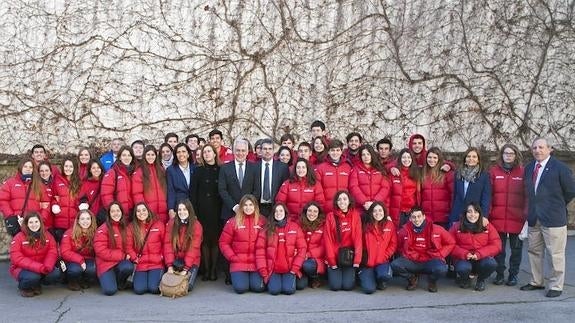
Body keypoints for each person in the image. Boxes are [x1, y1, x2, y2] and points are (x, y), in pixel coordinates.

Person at [520, 138, 575, 298]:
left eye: (541, 147)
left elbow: (570, 191)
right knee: (534, 251)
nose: (537, 150)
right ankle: (536, 281)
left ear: (550, 149)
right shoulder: (530, 168)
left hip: (554, 218)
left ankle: (556, 285)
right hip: (534, 217)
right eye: (535, 148)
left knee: (555, 253)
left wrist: (555, 205)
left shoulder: (561, 168)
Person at [391, 206, 455, 293]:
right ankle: (412, 278)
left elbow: (451, 242)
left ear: (424, 216)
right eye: (413, 217)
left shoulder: (436, 229)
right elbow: (398, 246)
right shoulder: (404, 230)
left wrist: (440, 254)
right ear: (410, 218)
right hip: (412, 260)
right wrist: (406, 254)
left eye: (419, 216)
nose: (417, 219)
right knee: (395, 264)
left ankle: (432, 281)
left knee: (442, 268)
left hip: (430, 259)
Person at [489, 144, 526, 286]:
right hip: (497, 219)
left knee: (516, 250)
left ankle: (513, 274)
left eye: (511, 153)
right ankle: (499, 274)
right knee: (499, 249)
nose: (509, 156)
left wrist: (526, 214)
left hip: (517, 218)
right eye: (506, 153)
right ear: (502, 155)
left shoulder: (522, 172)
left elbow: (527, 196)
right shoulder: (493, 172)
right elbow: (490, 195)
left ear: (516, 155)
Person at [255, 203, 307, 295]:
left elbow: (302, 249)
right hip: (273, 269)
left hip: (290, 268)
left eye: (281, 210)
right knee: (274, 291)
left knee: (289, 290)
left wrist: (294, 269)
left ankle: (299, 279)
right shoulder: (266, 229)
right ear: (273, 214)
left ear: (285, 212)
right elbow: (260, 251)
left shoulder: (294, 227)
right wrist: (264, 272)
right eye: (276, 211)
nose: (278, 213)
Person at [219, 195, 266, 294]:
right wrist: (232, 257)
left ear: (255, 206)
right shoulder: (233, 222)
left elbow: (269, 242)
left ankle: (252, 280)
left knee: (258, 288)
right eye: (245, 205)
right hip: (238, 263)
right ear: (241, 207)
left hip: (257, 263)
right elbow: (223, 242)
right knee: (241, 289)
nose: (248, 208)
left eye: (250, 205)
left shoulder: (262, 221)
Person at [449, 203, 501, 292]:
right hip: (463, 258)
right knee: (463, 268)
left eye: (476, 212)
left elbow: (496, 245)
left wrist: (479, 254)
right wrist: (464, 253)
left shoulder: (487, 226)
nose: (472, 215)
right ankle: (465, 279)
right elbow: (449, 244)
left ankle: (481, 280)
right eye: (469, 212)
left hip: (481, 258)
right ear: (465, 213)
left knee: (491, 263)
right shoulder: (457, 226)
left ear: (480, 214)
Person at [9, 212, 61, 297]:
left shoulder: (47, 235)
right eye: (31, 222)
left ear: (40, 223)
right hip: (22, 268)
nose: (34, 225)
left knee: (55, 273)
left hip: (42, 266)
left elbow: (52, 251)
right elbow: (16, 258)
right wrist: (39, 267)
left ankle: (36, 284)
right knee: (32, 277)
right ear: (26, 224)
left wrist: (48, 265)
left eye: (36, 222)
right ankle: (24, 287)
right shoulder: (19, 237)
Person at [190, 144, 222, 281]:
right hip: (202, 209)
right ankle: (207, 270)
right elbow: (193, 193)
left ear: (215, 153)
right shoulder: (198, 171)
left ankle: (214, 270)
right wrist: (194, 212)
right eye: (205, 152)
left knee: (215, 241)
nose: (207, 154)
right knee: (204, 241)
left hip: (217, 209)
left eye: (209, 151)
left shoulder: (221, 169)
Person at [323, 190, 362, 291]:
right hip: (335, 256)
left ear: (349, 201)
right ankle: (332, 273)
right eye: (339, 199)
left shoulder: (355, 215)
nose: (342, 202)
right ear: (336, 202)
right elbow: (328, 240)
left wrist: (357, 260)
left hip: (349, 256)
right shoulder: (330, 216)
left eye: (345, 199)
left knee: (347, 286)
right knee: (335, 286)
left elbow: (358, 239)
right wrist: (332, 261)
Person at [0, 158, 50, 236]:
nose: (28, 169)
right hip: (17, 223)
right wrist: (11, 216)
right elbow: (2, 200)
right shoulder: (10, 183)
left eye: (30, 167)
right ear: (21, 167)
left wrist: (41, 220)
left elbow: (46, 204)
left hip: (34, 225)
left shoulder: (39, 185)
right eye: (25, 166)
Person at [93, 202, 134, 296]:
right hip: (105, 264)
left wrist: (133, 257)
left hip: (119, 262)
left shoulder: (125, 228)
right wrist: (123, 255)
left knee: (128, 267)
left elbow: (128, 246)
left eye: (118, 211)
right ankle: (108, 279)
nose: (116, 213)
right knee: (110, 291)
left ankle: (120, 283)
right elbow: (100, 251)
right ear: (109, 214)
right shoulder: (102, 229)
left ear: (121, 212)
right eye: (113, 211)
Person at [164, 199, 203, 291]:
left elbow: (193, 249)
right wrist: (169, 266)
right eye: (180, 210)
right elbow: (167, 245)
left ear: (190, 210)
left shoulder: (196, 225)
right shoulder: (171, 223)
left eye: (185, 209)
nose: (182, 212)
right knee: (169, 284)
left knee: (186, 287)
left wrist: (185, 269)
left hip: (192, 261)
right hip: (176, 260)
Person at [358, 202, 397, 294]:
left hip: (382, 260)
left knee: (385, 275)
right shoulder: (364, 224)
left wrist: (385, 256)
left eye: (380, 210)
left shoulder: (389, 225)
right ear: (371, 212)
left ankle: (380, 280)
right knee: (369, 289)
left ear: (384, 211)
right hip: (367, 263)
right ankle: (365, 277)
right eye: (374, 211)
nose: (378, 213)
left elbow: (393, 244)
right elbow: (359, 243)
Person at [127, 203, 165, 295]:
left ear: (148, 211)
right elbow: (128, 247)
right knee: (139, 290)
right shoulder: (131, 227)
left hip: (156, 263)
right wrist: (135, 258)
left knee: (154, 288)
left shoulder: (158, 224)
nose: (141, 213)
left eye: (144, 210)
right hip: (141, 264)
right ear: (135, 214)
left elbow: (166, 244)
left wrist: (162, 256)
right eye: (138, 211)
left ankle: (152, 280)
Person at [218, 138, 259, 221]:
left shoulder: (254, 168)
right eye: (238, 150)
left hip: (249, 212)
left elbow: (257, 190)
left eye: (243, 150)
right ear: (233, 151)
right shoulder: (224, 168)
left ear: (247, 152)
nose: (240, 153)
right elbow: (222, 190)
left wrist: (247, 206)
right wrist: (235, 207)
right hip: (229, 212)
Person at [449, 147, 491, 226]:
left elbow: (486, 198)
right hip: (458, 213)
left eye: (474, 157)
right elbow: (455, 195)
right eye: (468, 156)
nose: (471, 159)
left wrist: (484, 216)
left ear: (478, 160)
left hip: (474, 214)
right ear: (465, 159)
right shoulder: (458, 174)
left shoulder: (483, 176)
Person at [349, 144, 393, 216]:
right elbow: (353, 187)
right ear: (360, 156)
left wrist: (375, 202)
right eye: (363, 155)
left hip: (377, 208)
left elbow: (385, 187)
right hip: (361, 208)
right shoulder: (355, 169)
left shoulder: (380, 169)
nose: (366, 157)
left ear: (372, 155)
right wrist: (364, 202)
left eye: (368, 154)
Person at [60, 210, 98, 291]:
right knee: (75, 270)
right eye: (82, 219)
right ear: (78, 221)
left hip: (89, 258)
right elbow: (65, 252)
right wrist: (80, 260)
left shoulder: (96, 233)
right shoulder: (69, 233)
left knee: (92, 269)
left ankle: (84, 280)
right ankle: (72, 281)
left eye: (88, 219)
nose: (85, 221)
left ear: (92, 220)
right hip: (72, 259)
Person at [131, 145, 168, 223]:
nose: (150, 157)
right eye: (148, 155)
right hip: (149, 213)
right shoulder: (139, 172)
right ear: (144, 156)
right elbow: (137, 194)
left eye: (152, 155)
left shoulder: (161, 170)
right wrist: (143, 211)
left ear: (156, 156)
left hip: (164, 211)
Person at [316, 139, 352, 214]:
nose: (335, 153)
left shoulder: (348, 167)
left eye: (337, 150)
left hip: (344, 207)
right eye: (332, 150)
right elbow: (317, 188)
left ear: (341, 151)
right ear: (328, 151)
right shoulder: (321, 168)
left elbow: (351, 187)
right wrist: (323, 205)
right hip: (328, 208)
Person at [421, 147, 454, 228]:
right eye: (429, 157)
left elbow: (453, 194)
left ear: (439, 159)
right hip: (426, 218)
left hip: (443, 218)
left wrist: (451, 213)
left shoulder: (446, 173)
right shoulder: (422, 173)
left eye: (435, 157)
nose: (432, 160)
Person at [255, 138, 289, 217]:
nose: (267, 151)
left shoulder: (282, 167)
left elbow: (285, 188)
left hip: (276, 206)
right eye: (265, 149)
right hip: (258, 206)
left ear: (274, 151)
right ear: (260, 151)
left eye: (270, 149)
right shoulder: (254, 167)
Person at [51, 157, 82, 242]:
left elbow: (81, 198)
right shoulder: (57, 180)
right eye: (66, 166)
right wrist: (54, 205)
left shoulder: (79, 181)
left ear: (74, 168)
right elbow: (53, 196)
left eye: (71, 166)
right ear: (63, 167)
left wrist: (82, 204)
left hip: (74, 221)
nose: (68, 169)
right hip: (60, 221)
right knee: (61, 245)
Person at [296, 202, 326, 289]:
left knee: (307, 265)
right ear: (305, 212)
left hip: (316, 259)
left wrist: (308, 254)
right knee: (300, 285)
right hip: (301, 256)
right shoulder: (298, 224)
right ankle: (305, 277)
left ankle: (316, 277)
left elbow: (323, 247)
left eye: (315, 211)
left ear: (319, 213)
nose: (312, 214)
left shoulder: (323, 225)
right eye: (309, 211)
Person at [101, 145, 137, 218]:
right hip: (119, 214)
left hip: (133, 213)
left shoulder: (135, 172)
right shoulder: (113, 172)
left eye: (129, 155)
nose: (127, 158)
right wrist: (114, 211)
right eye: (124, 155)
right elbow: (106, 194)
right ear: (120, 157)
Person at [166, 143, 195, 220]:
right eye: (178, 152)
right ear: (175, 155)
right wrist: (171, 209)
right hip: (179, 206)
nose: (181, 154)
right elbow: (171, 190)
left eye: (183, 151)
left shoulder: (195, 168)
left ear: (188, 154)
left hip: (194, 205)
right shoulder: (171, 170)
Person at [394, 148, 421, 226]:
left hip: (412, 211)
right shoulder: (395, 172)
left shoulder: (416, 173)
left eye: (409, 157)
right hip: (398, 211)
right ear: (400, 159)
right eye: (404, 157)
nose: (406, 160)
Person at [78, 159, 105, 224]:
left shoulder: (106, 180)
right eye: (93, 168)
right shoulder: (86, 183)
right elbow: (82, 198)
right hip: (92, 216)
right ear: (90, 170)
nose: (96, 170)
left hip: (104, 215)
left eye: (98, 167)